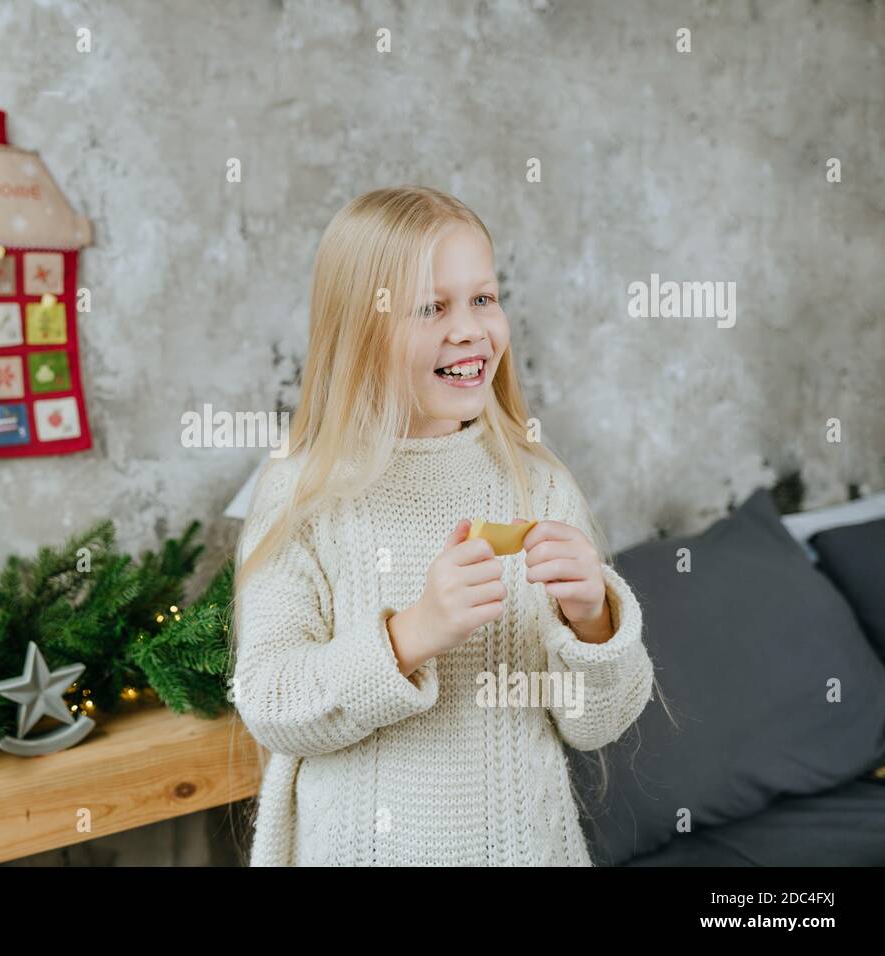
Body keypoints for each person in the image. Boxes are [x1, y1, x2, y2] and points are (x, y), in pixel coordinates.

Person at [231, 185, 660, 866]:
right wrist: (415, 633)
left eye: (482, 299)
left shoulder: (537, 484)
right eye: (432, 307)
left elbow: (596, 723)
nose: (469, 329)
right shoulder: (303, 493)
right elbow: (271, 701)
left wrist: (592, 620)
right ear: (359, 327)